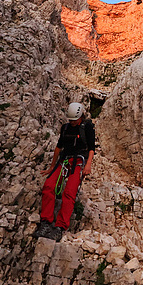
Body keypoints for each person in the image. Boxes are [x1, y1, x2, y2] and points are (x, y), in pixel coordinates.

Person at [34, 102, 96, 241]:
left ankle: (60, 227)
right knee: (49, 186)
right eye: (71, 120)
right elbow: (58, 147)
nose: (72, 122)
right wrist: (52, 167)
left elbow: (92, 148)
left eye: (75, 119)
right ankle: (46, 222)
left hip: (79, 162)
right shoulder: (66, 128)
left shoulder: (87, 127)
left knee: (69, 193)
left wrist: (88, 166)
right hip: (65, 160)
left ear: (81, 116)